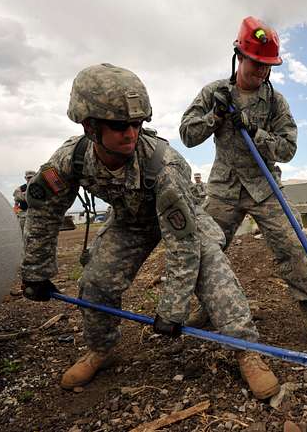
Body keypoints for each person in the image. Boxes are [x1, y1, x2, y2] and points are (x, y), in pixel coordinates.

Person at [20, 63, 279, 399]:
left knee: (215, 276)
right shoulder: (72, 159)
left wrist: (172, 309)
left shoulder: (164, 167)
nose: (130, 134)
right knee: (96, 282)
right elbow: (42, 214)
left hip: (185, 221)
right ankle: (102, 349)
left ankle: (246, 350)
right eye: (118, 126)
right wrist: (35, 272)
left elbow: (183, 246)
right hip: (131, 222)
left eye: (137, 124)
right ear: (89, 126)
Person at [179, 16, 307, 352]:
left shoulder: (275, 102)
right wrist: (214, 118)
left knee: (292, 245)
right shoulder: (215, 93)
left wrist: (256, 132)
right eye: (255, 62)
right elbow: (187, 135)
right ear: (239, 55)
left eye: (267, 65)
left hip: (265, 186)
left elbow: (288, 149)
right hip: (223, 187)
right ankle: (207, 306)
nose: (261, 71)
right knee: (205, 247)